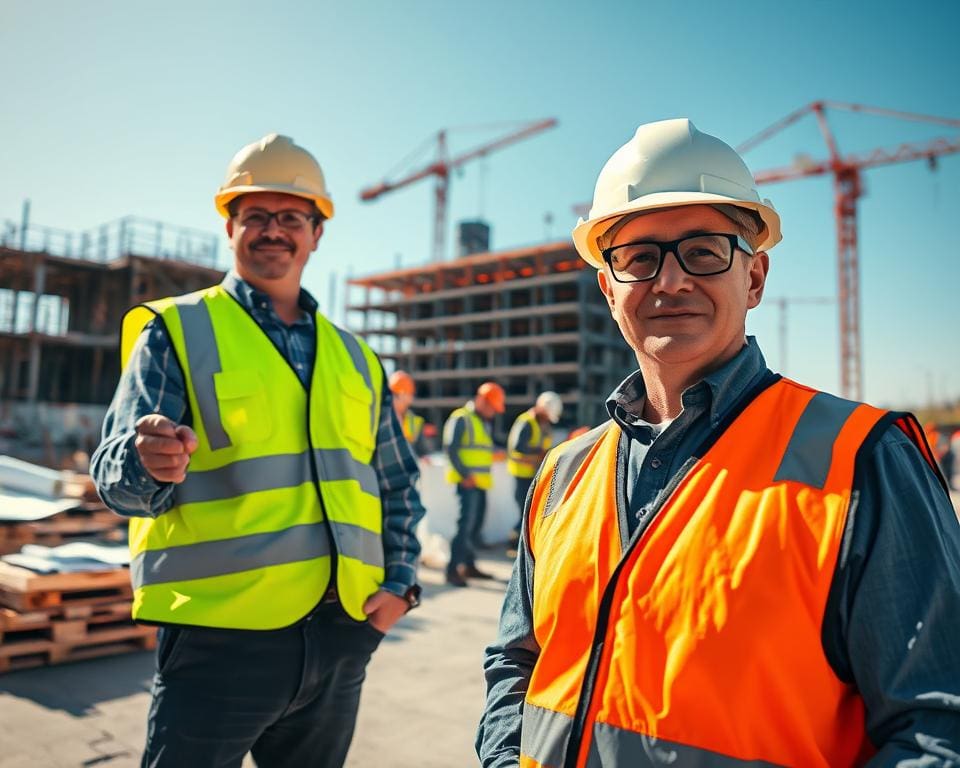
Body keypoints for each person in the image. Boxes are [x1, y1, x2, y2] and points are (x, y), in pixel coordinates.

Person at [477, 119, 960, 766]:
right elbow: (516, 662)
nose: (669, 281)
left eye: (704, 251)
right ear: (608, 287)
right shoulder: (564, 472)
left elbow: (937, 730)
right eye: (639, 257)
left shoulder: (862, 461)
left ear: (754, 278)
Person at [90, 133, 425, 768]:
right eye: (257, 216)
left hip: (340, 636)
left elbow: (395, 484)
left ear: (317, 233)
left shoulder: (357, 358)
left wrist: (398, 591)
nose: (274, 231)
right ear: (230, 225)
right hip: (219, 642)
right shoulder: (177, 330)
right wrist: (145, 463)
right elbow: (114, 475)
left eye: (292, 217)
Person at [442, 381, 505, 587]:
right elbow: (451, 448)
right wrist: (464, 475)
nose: (493, 413)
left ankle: (468, 565)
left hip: (480, 483)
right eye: (492, 408)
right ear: (481, 400)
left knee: (474, 527)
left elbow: (480, 448)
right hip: (467, 482)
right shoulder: (461, 418)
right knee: (465, 526)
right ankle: (453, 569)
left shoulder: (482, 422)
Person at [506, 391, 563, 549]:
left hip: (534, 475)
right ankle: (514, 544)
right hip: (521, 475)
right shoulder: (526, 422)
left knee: (531, 513)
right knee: (525, 513)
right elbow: (518, 449)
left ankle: (519, 544)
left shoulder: (542, 425)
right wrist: (539, 454)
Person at [388, 369, 427, 456]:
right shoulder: (382, 418)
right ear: (402, 394)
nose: (411, 399)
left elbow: (421, 451)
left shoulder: (414, 421)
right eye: (410, 394)